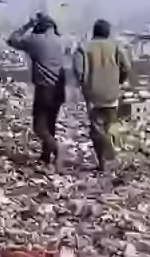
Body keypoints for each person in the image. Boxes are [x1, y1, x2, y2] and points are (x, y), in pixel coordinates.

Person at [7, 13, 69, 169]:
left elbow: (12, 39)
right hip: (60, 89)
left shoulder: (36, 40)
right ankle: (46, 157)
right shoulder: (61, 41)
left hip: (45, 89)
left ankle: (56, 148)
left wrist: (28, 25)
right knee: (50, 125)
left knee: (39, 127)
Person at [75, 19, 131, 171]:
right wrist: (119, 81)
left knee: (97, 131)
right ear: (108, 33)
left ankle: (103, 162)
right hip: (112, 95)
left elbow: (78, 71)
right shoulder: (116, 47)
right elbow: (126, 67)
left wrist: (84, 85)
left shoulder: (84, 48)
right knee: (110, 127)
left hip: (93, 96)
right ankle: (111, 157)